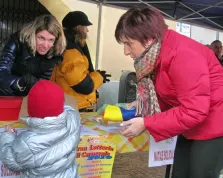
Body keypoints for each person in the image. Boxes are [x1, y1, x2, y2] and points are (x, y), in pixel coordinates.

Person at [115, 7, 223, 178]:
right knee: (180, 173)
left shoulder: (182, 55)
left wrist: (147, 123)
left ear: (148, 38)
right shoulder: (158, 51)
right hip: (191, 124)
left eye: (129, 43)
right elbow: (172, 89)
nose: (126, 51)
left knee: (201, 173)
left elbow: (194, 110)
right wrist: (145, 103)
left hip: (213, 125)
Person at [0, 80, 81, 178]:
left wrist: (7, 136)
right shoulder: (73, 120)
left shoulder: (27, 141)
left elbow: (11, 161)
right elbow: (69, 109)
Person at [0, 14, 66, 96]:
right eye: (41, 38)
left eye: (51, 40)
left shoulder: (53, 53)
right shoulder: (18, 41)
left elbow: (42, 83)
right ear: (33, 34)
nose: (45, 45)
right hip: (3, 96)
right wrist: (19, 82)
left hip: (28, 100)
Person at [50, 11, 111, 112]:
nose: (87, 30)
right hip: (75, 107)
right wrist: (99, 77)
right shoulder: (71, 51)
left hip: (71, 104)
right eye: (85, 26)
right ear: (78, 27)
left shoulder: (68, 46)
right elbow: (82, 85)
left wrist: (95, 75)